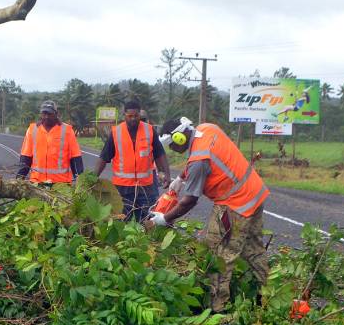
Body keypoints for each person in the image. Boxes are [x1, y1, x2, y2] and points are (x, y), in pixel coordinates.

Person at [144, 117, 270, 312]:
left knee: (218, 255)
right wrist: (180, 178)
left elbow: (189, 200)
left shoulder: (198, 161)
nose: (172, 150)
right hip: (253, 194)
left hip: (234, 205)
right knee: (253, 249)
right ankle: (270, 297)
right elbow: (205, 155)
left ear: (179, 138)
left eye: (172, 145)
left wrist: (164, 218)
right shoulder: (207, 128)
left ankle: (217, 309)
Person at [94, 100, 171, 221]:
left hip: (146, 186)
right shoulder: (116, 132)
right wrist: (93, 177)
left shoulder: (149, 131)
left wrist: (167, 174)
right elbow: (104, 157)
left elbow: (160, 154)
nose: (133, 119)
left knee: (148, 219)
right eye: (130, 116)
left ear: (139, 115)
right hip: (122, 187)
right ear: (124, 115)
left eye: (136, 116)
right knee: (123, 220)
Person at [17, 100, 83, 183]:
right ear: (41, 114)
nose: (46, 117)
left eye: (49, 114)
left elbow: (75, 158)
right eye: (44, 113)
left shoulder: (67, 131)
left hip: (61, 184)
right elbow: (26, 158)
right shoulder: (32, 130)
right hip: (37, 183)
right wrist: (19, 179)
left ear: (56, 114)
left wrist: (80, 180)